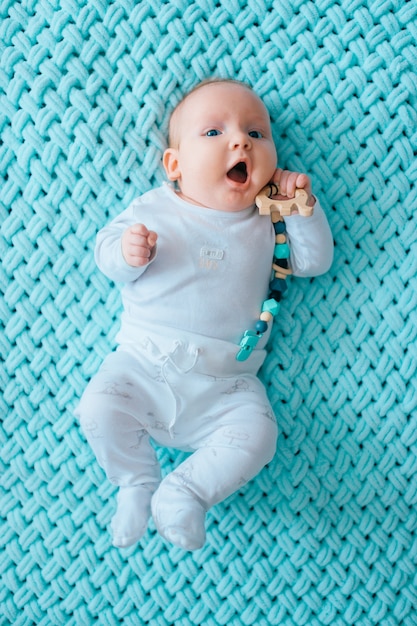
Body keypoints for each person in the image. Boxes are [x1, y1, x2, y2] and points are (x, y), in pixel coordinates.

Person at [75, 79, 333, 551]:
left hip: (227, 386)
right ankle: (135, 480)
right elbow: (105, 252)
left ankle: (185, 492)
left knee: (259, 435)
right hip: (143, 367)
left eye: (257, 134)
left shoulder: (269, 220)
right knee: (97, 408)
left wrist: (303, 210)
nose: (240, 141)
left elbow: (313, 262)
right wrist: (128, 252)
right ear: (175, 165)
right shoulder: (155, 208)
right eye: (213, 133)